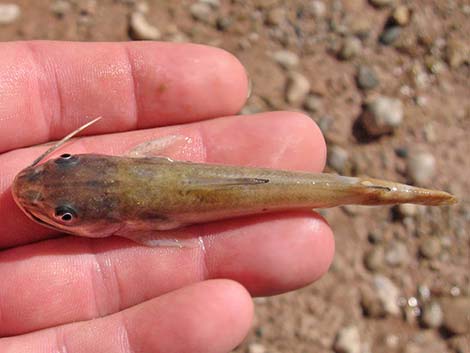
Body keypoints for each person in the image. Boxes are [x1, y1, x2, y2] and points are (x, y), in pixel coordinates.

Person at [0, 41, 334, 352]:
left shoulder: (135, 225)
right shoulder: (133, 169)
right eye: (66, 214)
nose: (25, 186)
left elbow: (157, 236)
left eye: (64, 159)